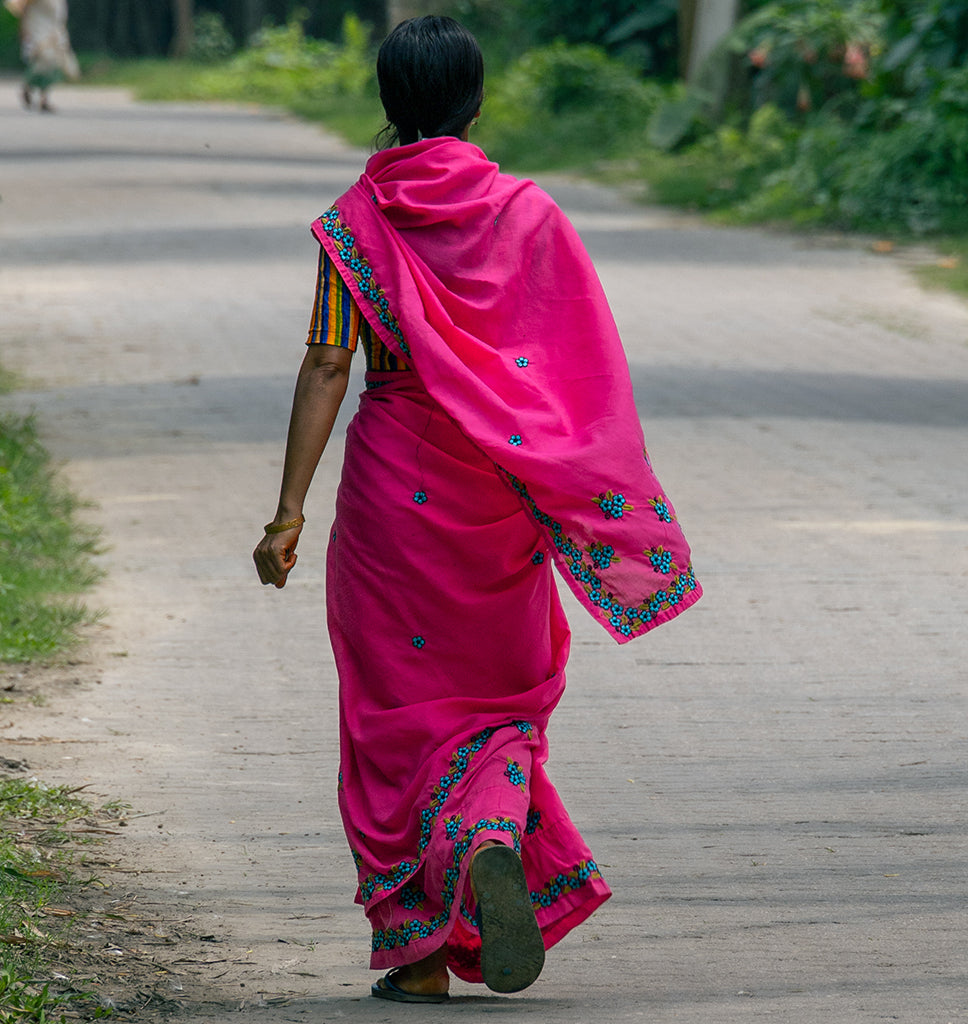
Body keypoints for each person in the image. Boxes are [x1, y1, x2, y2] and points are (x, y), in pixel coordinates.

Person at [253, 15, 701, 1004]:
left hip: (389, 493)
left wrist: (286, 511)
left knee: (391, 714)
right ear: (476, 100)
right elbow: (571, 366)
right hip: (494, 495)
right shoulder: (526, 215)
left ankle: (417, 956)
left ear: (387, 102)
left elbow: (330, 358)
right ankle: (490, 831)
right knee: (495, 701)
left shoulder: (354, 222)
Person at [5, 0, 79, 113]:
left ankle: (44, 99)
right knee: (45, 59)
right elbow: (23, 9)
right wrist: (23, 29)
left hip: (54, 29)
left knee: (55, 62)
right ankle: (29, 85)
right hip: (37, 27)